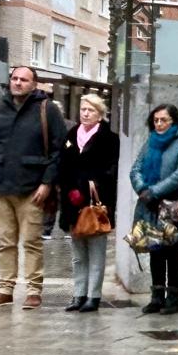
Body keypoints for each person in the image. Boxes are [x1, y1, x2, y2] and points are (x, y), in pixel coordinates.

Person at [0, 65, 67, 310]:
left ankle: (33, 290)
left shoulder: (46, 110)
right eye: (14, 78)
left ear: (34, 84)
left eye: (24, 80)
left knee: (31, 241)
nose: (18, 83)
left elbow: (58, 150)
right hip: (1, 185)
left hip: (33, 189)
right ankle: (5, 289)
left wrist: (47, 182)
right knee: (5, 242)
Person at [131, 104, 178, 315]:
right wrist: (142, 188)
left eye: (164, 120)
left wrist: (155, 191)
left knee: (172, 249)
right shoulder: (150, 141)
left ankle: (173, 297)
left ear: (174, 121)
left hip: (174, 203)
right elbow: (136, 169)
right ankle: (156, 296)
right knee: (155, 249)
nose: (159, 124)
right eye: (156, 120)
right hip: (149, 203)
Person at [58, 93, 120, 313]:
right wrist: (68, 190)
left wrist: (88, 185)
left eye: (91, 110)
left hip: (96, 203)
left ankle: (93, 296)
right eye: (83, 109)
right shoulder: (71, 134)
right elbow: (62, 166)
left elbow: (111, 171)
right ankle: (78, 294)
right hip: (72, 202)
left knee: (96, 252)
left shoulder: (110, 139)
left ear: (100, 115)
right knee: (77, 255)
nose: (85, 113)